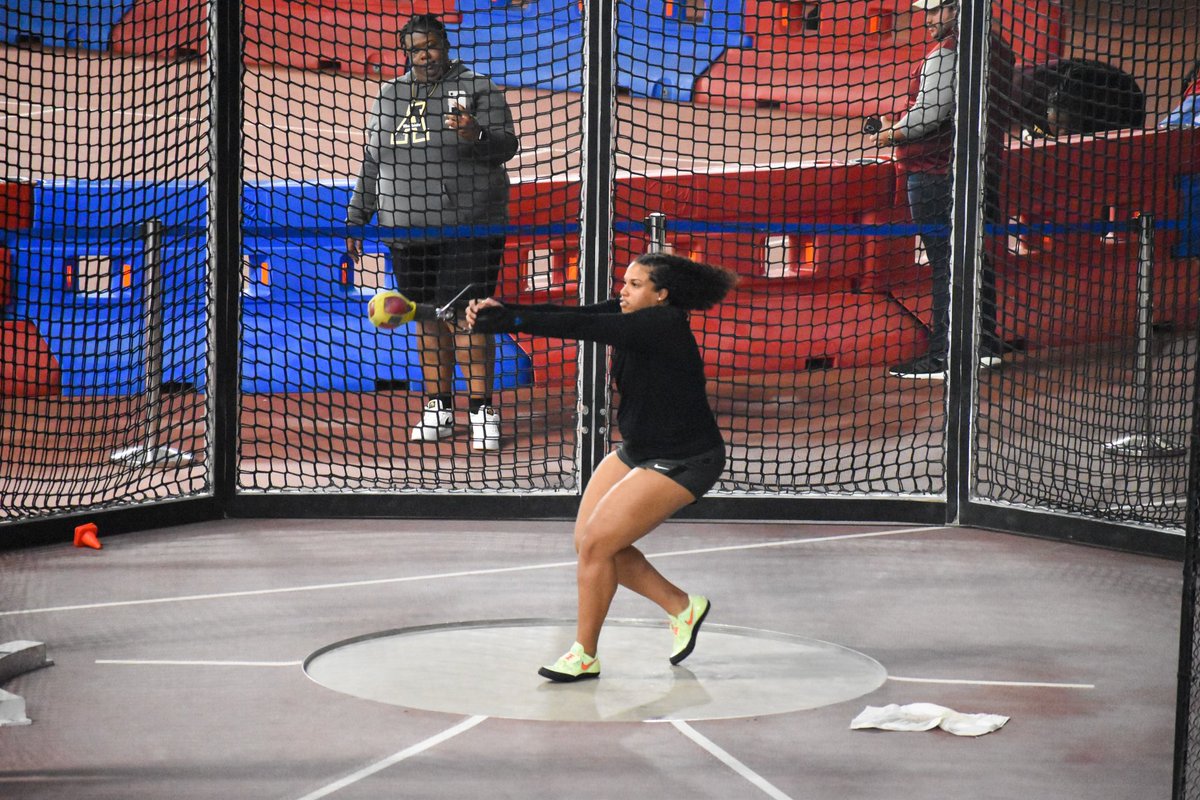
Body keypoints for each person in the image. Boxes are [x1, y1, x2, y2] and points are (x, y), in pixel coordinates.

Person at [465, 252, 737, 681]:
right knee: (589, 543)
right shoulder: (632, 312)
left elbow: (582, 328)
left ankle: (584, 655)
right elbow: (571, 313)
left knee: (597, 545)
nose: (622, 292)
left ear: (661, 294)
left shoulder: (660, 324)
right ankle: (682, 607)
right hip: (639, 448)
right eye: (624, 282)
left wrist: (510, 324)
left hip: (686, 459)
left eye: (634, 285)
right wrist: (506, 313)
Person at [345, 14, 519, 450]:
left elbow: (506, 147)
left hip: (469, 225)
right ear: (407, 52)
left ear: (445, 44)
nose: (426, 54)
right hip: (405, 228)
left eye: (433, 46)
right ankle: (438, 405)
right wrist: (356, 218)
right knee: (427, 317)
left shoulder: (479, 88)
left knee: (467, 316)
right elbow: (373, 161)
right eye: (417, 48)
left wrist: (474, 133)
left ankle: (481, 409)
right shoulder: (389, 95)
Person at [869, 0, 1015, 380]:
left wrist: (889, 134)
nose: (929, 19)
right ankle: (982, 347)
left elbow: (930, 116)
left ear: (958, 9)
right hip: (982, 169)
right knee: (973, 261)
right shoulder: (994, 46)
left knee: (946, 266)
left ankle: (944, 356)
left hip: (938, 173)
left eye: (937, 11)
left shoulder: (946, 53)